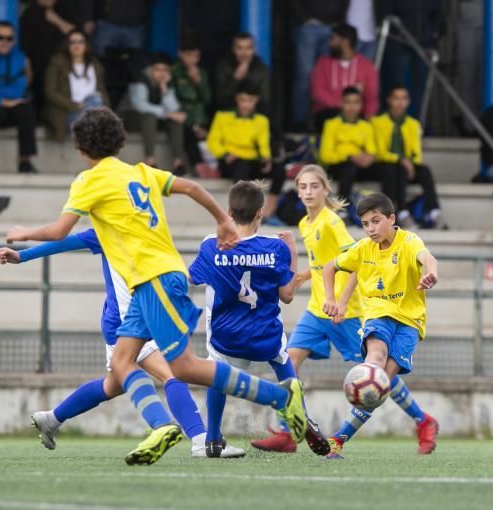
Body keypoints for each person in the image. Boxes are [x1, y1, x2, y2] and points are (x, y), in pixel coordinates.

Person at [3, 107, 313, 466]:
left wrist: (23, 234)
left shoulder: (89, 182)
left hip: (154, 280)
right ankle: (157, 426)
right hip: (156, 280)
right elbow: (192, 186)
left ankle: (277, 397)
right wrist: (222, 222)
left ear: (79, 147)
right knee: (122, 364)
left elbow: (60, 232)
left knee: (181, 367)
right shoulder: (140, 172)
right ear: (120, 140)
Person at [0, 229, 245, 459]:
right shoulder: (108, 228)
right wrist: (23, 255)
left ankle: (52, 418)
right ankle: (201, 440)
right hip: (127, 322)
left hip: (135, 318)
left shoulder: (147, 224)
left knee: (112, 386)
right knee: (172, 374)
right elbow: (65, 241)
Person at [250, 166, 439, 456]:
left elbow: (354, 268)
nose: (308, 192)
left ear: (326, 189)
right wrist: (303, 279)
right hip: (318, 310)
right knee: (289, 361)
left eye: (314, 186)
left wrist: (339, 301)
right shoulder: (305, 224)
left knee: (377, 379)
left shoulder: (332, 223)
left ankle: (421, 420)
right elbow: (325, 265)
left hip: (347, 314)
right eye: (302, 186)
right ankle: (288, 430)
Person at [188, 180, 329, 457]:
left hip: (226, 337)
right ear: (260, 213)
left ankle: (214, 439)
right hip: (264, 335)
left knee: (216, 369)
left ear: (229, 211)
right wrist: (293, 253)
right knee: (282, 358)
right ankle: (297, 417)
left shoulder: (211, 246)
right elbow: (287, 295)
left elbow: (191, 278)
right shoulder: (274, 247)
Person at [322, 192, 440, 459]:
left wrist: (431, 274)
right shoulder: (363, 248)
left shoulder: (409, 241)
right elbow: (329, 267)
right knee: (375, 361)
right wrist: (332, 300)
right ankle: (337, 443)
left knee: (379, 388)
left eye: (376, 221)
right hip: (377, 314)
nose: (371, 229)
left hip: (410, 322)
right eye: (365, 224)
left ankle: (339, 438)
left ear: (391, 219)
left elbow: (429, 259)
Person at [206, 80, 286, 224]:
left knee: (279, 170)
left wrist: (266, 159)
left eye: (250, 100)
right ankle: (242, 214)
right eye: (243, 100)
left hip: (251, 161)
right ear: (237, 99)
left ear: (256, 100)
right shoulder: (222, 117)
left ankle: (268, 212)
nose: (246, 104)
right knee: (241, 168)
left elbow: (263, 144)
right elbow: (213, 141)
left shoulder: (261, 120)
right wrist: (225, 154)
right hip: (230, 161)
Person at [371, 85, 443, 229]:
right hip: (385, 165)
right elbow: (379, 153)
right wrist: (401, 160)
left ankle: (435, 211)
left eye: (403, 99)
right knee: (396, 168)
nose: (399, 103)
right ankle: (402, 212)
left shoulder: (413, 124)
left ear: (408, 102)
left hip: (405, 166)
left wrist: (409, 164)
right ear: (389, 100)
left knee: (424, 170)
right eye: (396, 98)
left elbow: (416, 154)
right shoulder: (377, 122)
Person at [0, 21, 38, 173]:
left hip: (10, 108)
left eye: (9, 38)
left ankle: (25, 162)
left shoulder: (19, 58)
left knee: (27, 110)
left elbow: (18, 89)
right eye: (0, 37)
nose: (4, 42)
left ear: (14, 40)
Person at [290, 0, 350, 129]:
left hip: (332, 28)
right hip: (308, 27)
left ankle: (324, 120)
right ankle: (301, 122)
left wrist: (340, 22)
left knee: (327, 77)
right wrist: (303, 19)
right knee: (305, 76)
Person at [380, 0, 445, 117]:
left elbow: (438, 14)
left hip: (425, 43)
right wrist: (397, 31)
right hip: (399, 41)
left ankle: (418, 122)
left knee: (421, 86)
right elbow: (386, 11)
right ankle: (394, 122)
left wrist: (435, 34)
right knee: (397, 83)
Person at [319, 87, 377, 218]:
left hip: (360, 166)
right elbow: (325, 155)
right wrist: (349, 156)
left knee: (389, 169)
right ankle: (342, 209)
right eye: (348, 102)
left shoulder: (366, 126)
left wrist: (368, 159)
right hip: (338, 166)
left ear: (361, 105)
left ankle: (394, 210)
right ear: (341, 103)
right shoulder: (331, 124)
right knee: (348, 168)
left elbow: (372, 151)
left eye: (356, 102)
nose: (352, 106)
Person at [43, 29, 108, 142]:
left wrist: (110, 116)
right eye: (72, 42)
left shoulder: (95, 65)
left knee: (96, 100)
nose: (76, 45)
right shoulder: (57, 63)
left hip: (92, 110)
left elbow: (102, 92)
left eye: (80, 41)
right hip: (68, 113)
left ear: (86, 45)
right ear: (67, 45)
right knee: (94, 106)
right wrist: (74, 105)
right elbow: (50, 92)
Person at [310, 23, 378, 130]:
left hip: (357, 117)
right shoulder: (322, 63)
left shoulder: (366, 66)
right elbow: (317, 91)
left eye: (333, 39)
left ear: (344, 42)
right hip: (328, 114)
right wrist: (343, 106)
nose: (329, 43)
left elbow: (371, 97)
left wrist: (369, 119)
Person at [128, 53, 187, 174]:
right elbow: (140, 106)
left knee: (175, 122)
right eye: (157, 69)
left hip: (153, 120)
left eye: (165, 70)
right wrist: (168, 114)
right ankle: (150, 161)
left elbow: (174, 108)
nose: (161, 73)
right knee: (150, 117)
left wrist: (164, 88)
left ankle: (178, 163)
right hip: (130, 118)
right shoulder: (140, 79)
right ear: (150, 69)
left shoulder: (167, 83)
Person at [20, 0, 75, 113]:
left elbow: (76, 35)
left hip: (61, 65)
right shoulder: (30, 12)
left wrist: (56, 20)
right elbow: (24, 45)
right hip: (37, 66)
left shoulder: (63, 9)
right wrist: (27, 66)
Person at [171, 32, 212, 176]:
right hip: (182, 114)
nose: (192, 60)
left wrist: (198, 82)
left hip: (200, 116)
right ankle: (197, 165)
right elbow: (173, 99)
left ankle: (210, 167)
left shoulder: (202, 73)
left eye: (195, 56)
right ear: (180, 54)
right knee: (188, 133)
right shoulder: (174, 72)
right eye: (188, 55)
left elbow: (206, 99)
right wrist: (192, 123)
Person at [214, 32, 270, 112]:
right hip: (229, 116)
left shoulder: (261, 68)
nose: (244, 53)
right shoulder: (223, 67)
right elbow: (220, 101)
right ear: (233, 49)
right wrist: (235, 79)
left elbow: (265, 101)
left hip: (254, 117)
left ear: (254, 49)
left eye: (248, 48)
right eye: (240, 48)